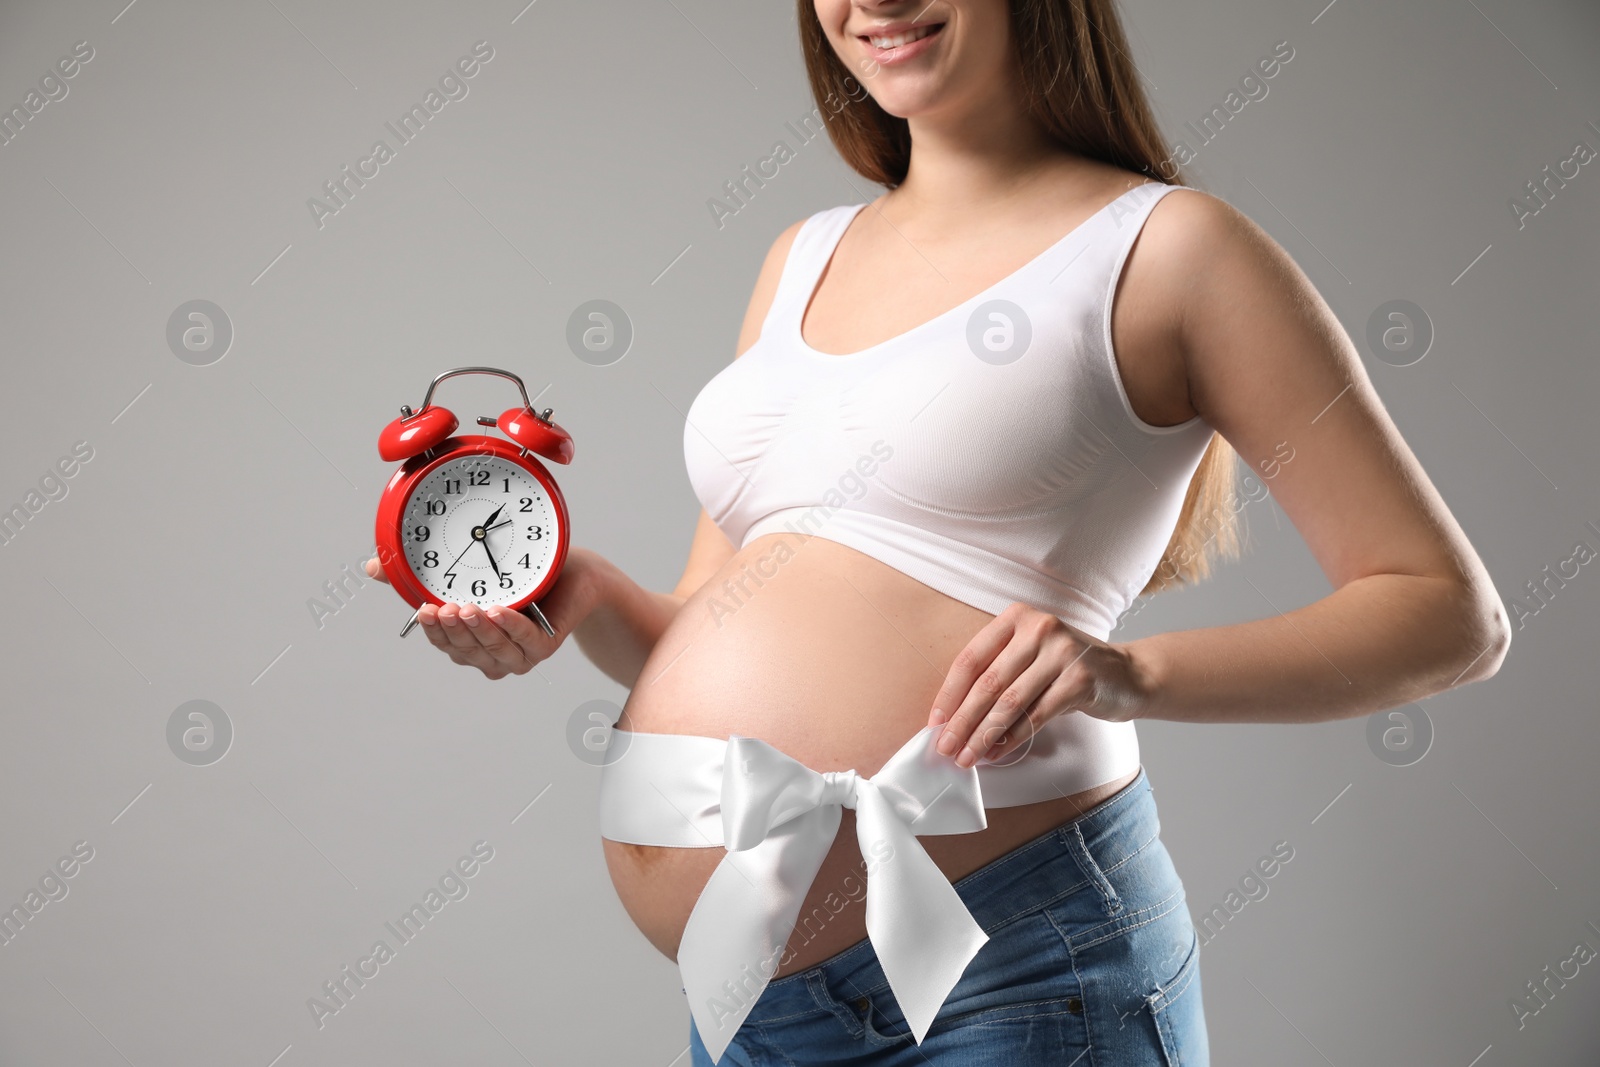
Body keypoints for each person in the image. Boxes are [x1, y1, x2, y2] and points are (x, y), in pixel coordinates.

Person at [367, 0, 1511, 1062]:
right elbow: (717, 618)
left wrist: (1127, 670)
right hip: (749, 989)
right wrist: (580, 604)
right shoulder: (801, 253)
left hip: (1017, 969)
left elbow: (1447, 612)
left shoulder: (1173, 249)